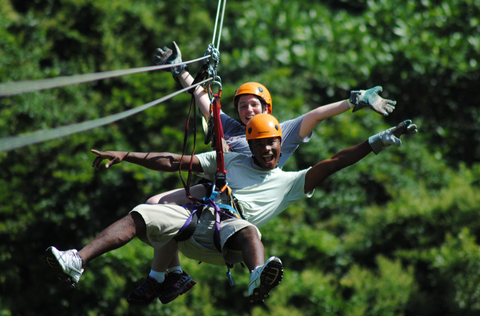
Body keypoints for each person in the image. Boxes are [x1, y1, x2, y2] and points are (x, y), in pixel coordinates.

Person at [117, 41, 398, 305]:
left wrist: (355, 101)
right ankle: (174, 274)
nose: (248, 110)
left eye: (254, 105)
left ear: (267, 109)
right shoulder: (231, 128)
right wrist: (181, 72)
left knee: (163, 208)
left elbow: (315, 116)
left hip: (234, 199)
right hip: (213, 189)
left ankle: (166, 276)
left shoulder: (279, 132)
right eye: (242, 106)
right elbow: (204, 100)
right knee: (154, 205)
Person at [44, 114, 417, 305]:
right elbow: (175, 160)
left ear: (279, 145)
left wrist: (378, 141)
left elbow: (335, 161)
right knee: (141, 213)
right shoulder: (231, 161)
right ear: (250, 145)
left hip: (227, 242)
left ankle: (258, 275)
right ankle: (78, 261)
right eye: (262, 145)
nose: (269, 151)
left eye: (274, 144)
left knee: (248, 229)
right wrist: (126, 155)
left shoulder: (289, 182)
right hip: (197, 219)